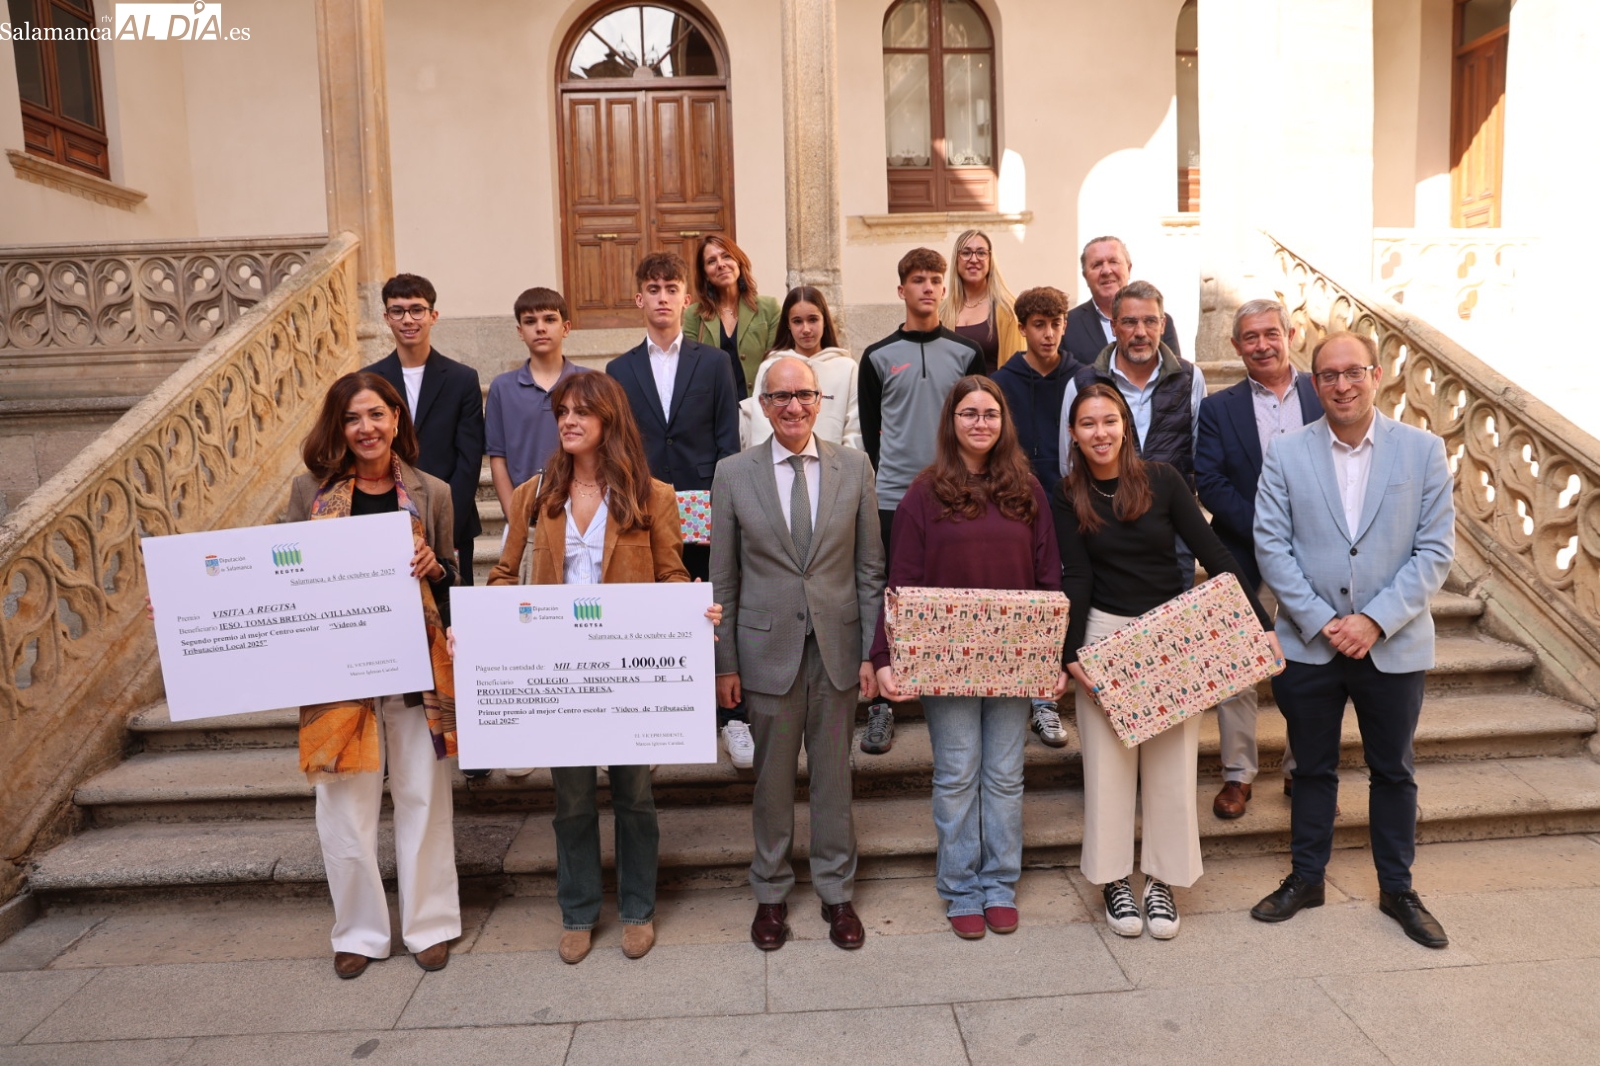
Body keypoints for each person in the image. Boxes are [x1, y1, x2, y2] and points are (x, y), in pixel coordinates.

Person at [486, 372, 720, 964]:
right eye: (561, 411)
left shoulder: (652, 495)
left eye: (581, 412)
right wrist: (483, 627)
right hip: (559, 674)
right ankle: (579, 909)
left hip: (626, 675)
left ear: (609, 420)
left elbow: (670, 572)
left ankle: (638, 907)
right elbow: (502, 575)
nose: (567, 420)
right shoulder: (534, 495)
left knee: (635, 794)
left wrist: (694, 602)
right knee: (570, 799)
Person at [1249, 331, 1455, 949]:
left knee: (1393, 770)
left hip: (1392, 645)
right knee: (1311, 768)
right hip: (1311, 646)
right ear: (1314, 382)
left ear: (1378, 373)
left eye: (1353, 372)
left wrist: (1373, 620)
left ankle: (1398, 888)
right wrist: (1321, 620)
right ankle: (1306, 878)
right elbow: (1272, 546)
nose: (1342, 384)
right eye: (1328, 375)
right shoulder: (1286, 453)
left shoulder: (1422, 451)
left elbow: (1435, 551)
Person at [1055, 382, 1278, 941]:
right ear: (1074, 434)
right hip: (1103, 637)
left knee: (1172, 769)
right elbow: (1076, 577)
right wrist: (1070, 654)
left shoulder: (1163, 479)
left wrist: (1262, 625)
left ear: (1126, 424)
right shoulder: (1066, 494)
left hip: (1172, 638)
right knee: (1107, 771)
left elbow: (1215, 553)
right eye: (1088, 424)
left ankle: (1161, 880)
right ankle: (1112, 881)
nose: (1100, 432)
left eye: (1109, 420)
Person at [871, 376, 1063, 939]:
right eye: (969, 413)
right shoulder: (922, 494)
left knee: (1004, 776)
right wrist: (887, 656)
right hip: (944, 661)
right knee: (957, 776)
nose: (980, 423)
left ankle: (999, 882)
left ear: (1004, 423)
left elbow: (1049, 577)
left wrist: (1050, 655)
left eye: (991, 414)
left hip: (1012, 660)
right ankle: (960, 887)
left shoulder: (1027, 491)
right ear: (951, 422)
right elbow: (900, 581)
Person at [290, 371, 461, 979]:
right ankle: (359, 932)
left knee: (422, 794)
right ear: (338, 427)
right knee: (342, 806)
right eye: (352, 418)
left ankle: (431, 924)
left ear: (396, 419)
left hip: (414, 669)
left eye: (376, 415)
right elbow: (281, 577)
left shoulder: (430, 490)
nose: (366, 429)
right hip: (338, 674)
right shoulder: (308, 492)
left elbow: (453, 578)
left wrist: (433, 566)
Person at [711, 356, 885, 952]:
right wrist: (725, 664)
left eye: (803, 395)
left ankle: (837, 892)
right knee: (771, 780)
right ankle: (771, 892)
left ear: (819, 402)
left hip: (836, 651)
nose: (792, 406)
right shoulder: (734, 474)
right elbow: (724, 580)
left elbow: (869, 569)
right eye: (779, 397)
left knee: (834, 778)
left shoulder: (855, 467)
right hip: (765, 653)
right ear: (763, 406)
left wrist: (870, 651)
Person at [1195, 299, 1323, 818]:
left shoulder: (1323, 391)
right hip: (1241, 552)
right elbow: (1210, 480)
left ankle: (1302, 769)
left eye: (1271, 333)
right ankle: (1237, 775)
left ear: (1290, 334)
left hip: (1317, 553)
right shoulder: (1218, 408)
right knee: (1236, 667)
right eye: (1250, 337)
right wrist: (1267, 532)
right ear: (1235, 346)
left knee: (1310, 663)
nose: (1263, 345)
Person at [857, 247, 984, 755]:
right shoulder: (877, 356)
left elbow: (980, 422)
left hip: (957, 492)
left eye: (935, 279)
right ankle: (883, 705)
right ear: (902, 290)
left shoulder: (967, 354)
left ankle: (951, 686)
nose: (928, 287)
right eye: (918, 280)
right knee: (892, 591)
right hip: (893, 497)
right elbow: (871, 435)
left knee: (953, 590)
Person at [1057, 280, 1207, 586]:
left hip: (1172, 534)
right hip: (1105, 532)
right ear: (1113, 326)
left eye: (1150, 321)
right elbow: (1069, 464)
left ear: (1162, 325)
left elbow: (1199, 456)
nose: (1140, 332)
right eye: (1129, 322)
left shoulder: (1190, 378)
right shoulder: (1082, 383)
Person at [607, 251, 741, 583]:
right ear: (640, 299)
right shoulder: (619, 370)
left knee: (705, 609)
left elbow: (728, 441)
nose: (662, 297)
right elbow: (618, 444)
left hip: (704, 507)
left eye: (671, 288)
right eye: (653, 289)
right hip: (643, 507)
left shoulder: (715, 363)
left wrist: (720, 504)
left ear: (687, 299)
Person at [992, 285, 1074, 749]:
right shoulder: (1002, 382)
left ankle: (1045, 701)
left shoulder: (1081, 376)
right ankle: (1018, 690)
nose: (1048, 334)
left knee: (1054, 599)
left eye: (1056, 323)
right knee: (1023, 596)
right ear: (1022, 329)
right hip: (1017, 504)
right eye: (1038, 325)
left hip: (1068, 502)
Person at [365, 274, 485, 585]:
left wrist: (444, 527)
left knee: (454, 618)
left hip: (452, 521)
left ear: (433, 316)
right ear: (386, 318)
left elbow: (469, 461)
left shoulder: (462, 379)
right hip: (385, 522)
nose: (408, 319)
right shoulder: (368, 381)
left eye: (417, 310)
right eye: (398, 311)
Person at [485, 287, 590, 535]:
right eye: (530, 322)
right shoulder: (502, 387)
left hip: (580, 512)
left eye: (549, 319)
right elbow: (497, 459)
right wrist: (516, 517)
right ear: (520, 332)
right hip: (525, 515)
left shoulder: (588, 382)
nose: (540, 328)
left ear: (565, 327)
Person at [741, 286, 862, 452]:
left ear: (825, 320)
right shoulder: (771, 366)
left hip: (836, 470)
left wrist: (844, 469)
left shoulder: (847, 368)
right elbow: (761, 429)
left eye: (813, 319)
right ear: (788, 325)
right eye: (797, 321)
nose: (806, 329)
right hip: (781, 469)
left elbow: (854, 429)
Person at [1058, 236, 1182, 368]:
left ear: (1128, 269)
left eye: (1113, 262)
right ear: (1085, 276)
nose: (1106, 271)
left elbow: (1174, 376)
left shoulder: (1158, 321)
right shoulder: (1068, 326)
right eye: (1097, 264)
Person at [682, 234, 781, 398]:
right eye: (711, 261)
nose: (720, 264)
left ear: (738, 262)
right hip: (713, 412)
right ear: (705, 274)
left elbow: (776, 363)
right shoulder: (694, 315)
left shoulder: (769, 308)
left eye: (726, 256)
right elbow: (691, 367)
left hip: (759, 409)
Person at [938, 229, 1022, 376]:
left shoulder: (1008, 310)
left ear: (990, 259)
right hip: (951, 398)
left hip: (993, 397)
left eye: (981, 253)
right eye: (966, 253)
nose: (974, 259)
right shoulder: (942, 311)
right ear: (956, 259)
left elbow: (1016, 373)